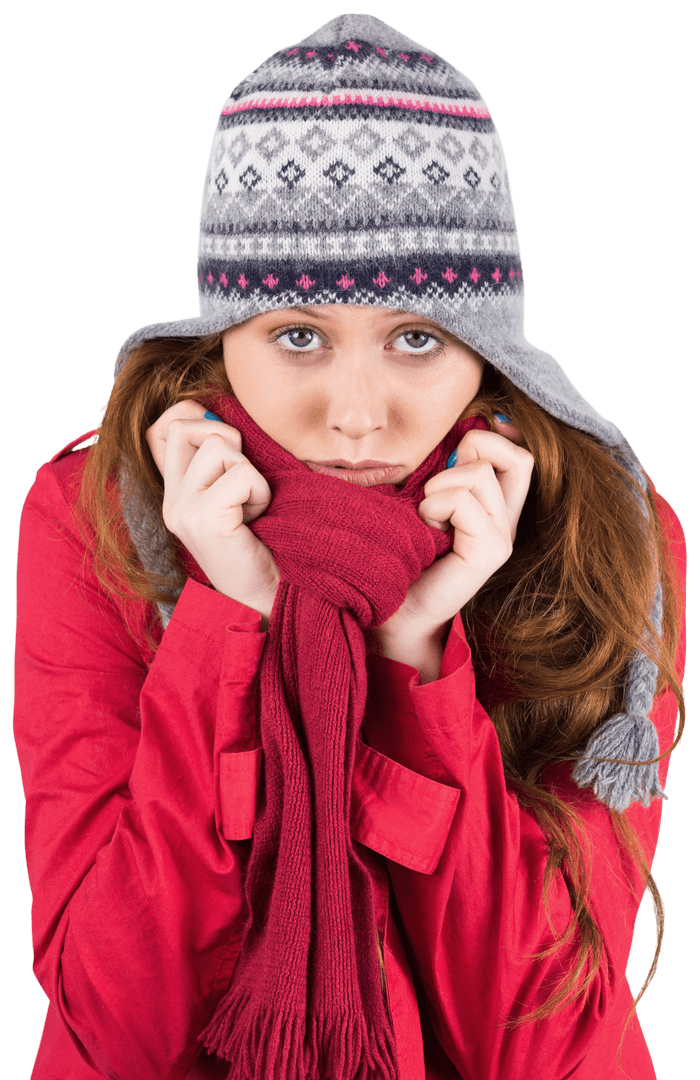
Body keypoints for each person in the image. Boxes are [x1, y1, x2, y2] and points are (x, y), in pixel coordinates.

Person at [13, 11, 686, 1080]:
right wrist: (230, 621)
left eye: (417, 339)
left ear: (490, 350)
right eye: (297, 336)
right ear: (221, 338)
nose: (357, 416)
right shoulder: (103, 510)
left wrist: (416, 660)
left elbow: (549, 1041)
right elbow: (112, 1022)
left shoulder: (601, 531)